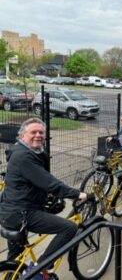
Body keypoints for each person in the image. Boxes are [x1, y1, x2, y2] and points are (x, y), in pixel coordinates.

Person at [0, 118, 88, 278]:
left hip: (9, 213)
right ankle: (40, 269)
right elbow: (49, 183)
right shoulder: (24, 157)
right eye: (33, 132)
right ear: (22, 136)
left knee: (15, 261)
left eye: (41, 132)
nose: (38, 135)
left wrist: (47, 194)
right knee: (69, 228)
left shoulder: (22, 151)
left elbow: (37, 179)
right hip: (22, 214)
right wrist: (78, 194)